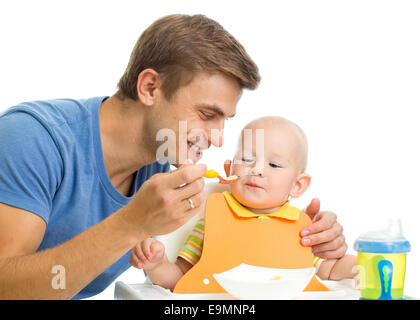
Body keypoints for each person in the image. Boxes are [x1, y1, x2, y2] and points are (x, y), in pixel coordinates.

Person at [0, 14, 346, 300]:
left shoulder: (160, 166)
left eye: (226, 120)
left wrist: (310, 239)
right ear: (150, 87)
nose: (217, 137)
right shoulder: (32, 139)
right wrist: (131, 223)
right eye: (208, 114)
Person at [129, 116, 358, 292]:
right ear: (229, 171)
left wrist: (362, 267)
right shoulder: (213, 223)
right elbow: (181, 278)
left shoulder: (303, 231)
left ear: (298, 186)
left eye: (274, 165)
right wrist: (157, 265)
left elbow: (330, 270)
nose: (257, 169)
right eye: (247, 159)